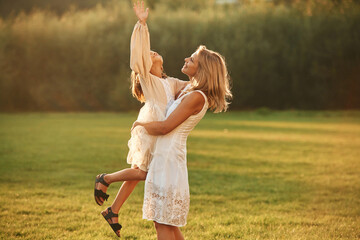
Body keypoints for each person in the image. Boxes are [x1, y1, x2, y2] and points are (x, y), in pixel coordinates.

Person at [94, 1, 187, 237]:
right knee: (145, 172)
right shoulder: (147, 77)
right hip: (151, 127)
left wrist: (210, 76)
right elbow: (138, 54)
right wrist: (142, 25)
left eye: (154, 51)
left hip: (160, 129)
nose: (152, 52)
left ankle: (113, 210)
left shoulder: (170, 82)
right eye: (149, 53)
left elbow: (194, 86)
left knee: (139, 171)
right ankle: (106, 178)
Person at [132, 33, 232, 240]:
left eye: (192, 59)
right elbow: (152, 73)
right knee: (167, 224)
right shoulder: (188, 89)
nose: (186, 59)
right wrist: (142, 28)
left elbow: (165, 127)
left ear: (202, 69)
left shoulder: (196, 96)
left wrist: (140, 124)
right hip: (166, 158)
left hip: (168, 161)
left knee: (162, 224)